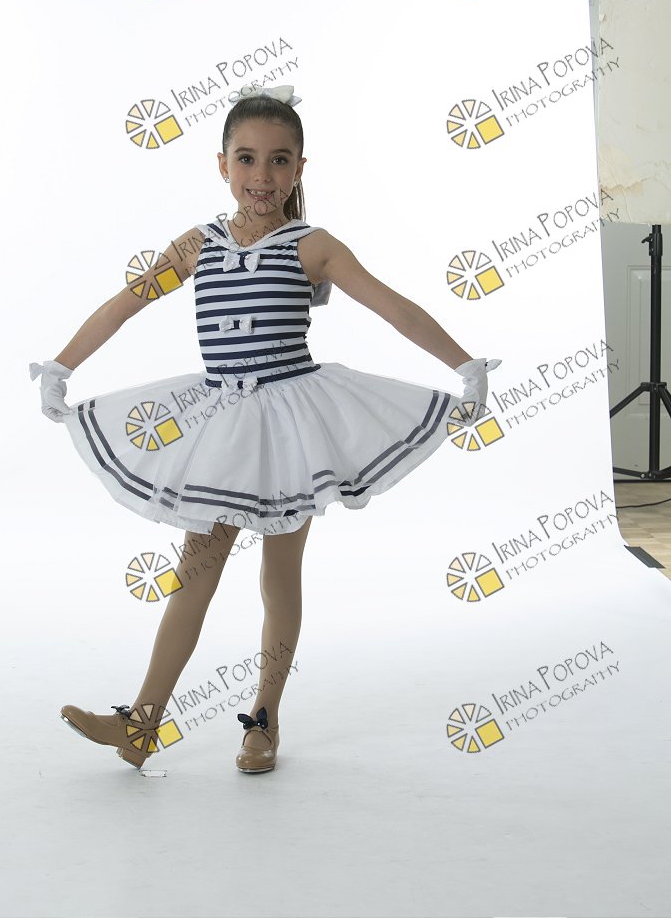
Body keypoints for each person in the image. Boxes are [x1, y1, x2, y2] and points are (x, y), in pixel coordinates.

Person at [29, 83, 501, 775]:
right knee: (194, 573)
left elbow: (393, 307)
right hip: (220, 426)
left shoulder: (313, 246)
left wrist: (464, 364)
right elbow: (125, 304)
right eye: (246, 159)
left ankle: (264, 718)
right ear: (222, 164)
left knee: (280, 578)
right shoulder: (198, 245)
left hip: (290, 429)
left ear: (300, 168)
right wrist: (61, 365)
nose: (262, 175)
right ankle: (142, 723)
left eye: (280, 160)